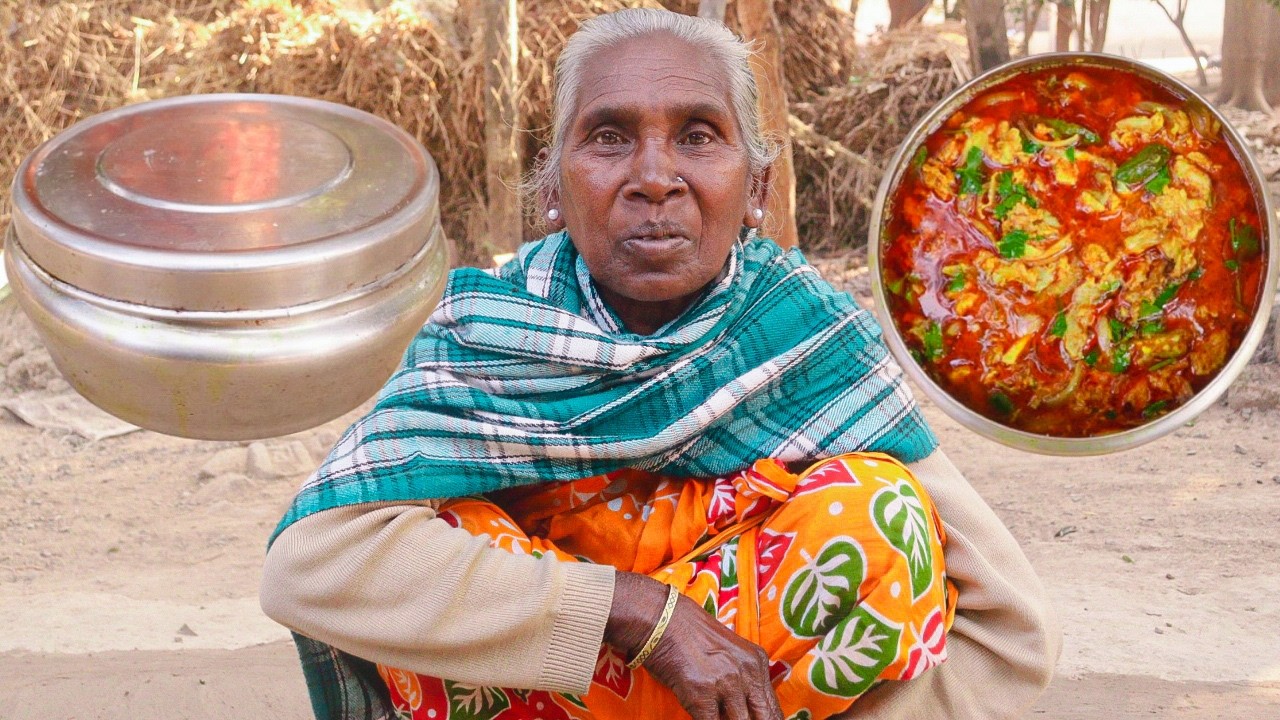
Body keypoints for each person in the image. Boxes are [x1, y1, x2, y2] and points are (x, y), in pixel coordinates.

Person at [261, 8, 1059, 720]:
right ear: (552, 187)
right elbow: (312, 565)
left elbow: (1012, 631)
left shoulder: (809, 341)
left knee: (877, 508)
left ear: (757, 188)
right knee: (435, 536)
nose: (653, 179)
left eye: (698, 136)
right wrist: (637, 612)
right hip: (549, 701)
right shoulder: (484, 336)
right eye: (609, 137)